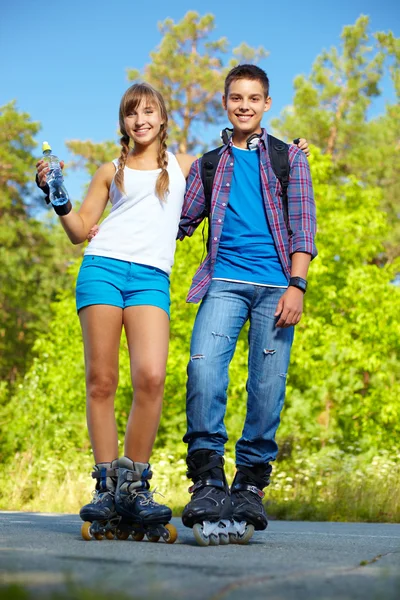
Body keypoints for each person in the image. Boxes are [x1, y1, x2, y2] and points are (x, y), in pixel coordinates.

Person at [35, 82, 195, 543]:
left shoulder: (184, 166)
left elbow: (242, 159)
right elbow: (79, 229)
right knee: (102, 380)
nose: (140, 120)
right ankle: (107, 486)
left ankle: (135, 486)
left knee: (152, 377)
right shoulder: (112, 170)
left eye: (148, 112)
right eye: (131, 114)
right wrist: (55, 193)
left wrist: (293, 150)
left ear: (163, 118)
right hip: (102, 269)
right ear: (123, 123)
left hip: (151, 278)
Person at [177, 64, 317, 546]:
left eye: (253, 98)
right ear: (225, 102)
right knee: (204, 370)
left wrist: (297, 284)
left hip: (277, 287)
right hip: (223, 282)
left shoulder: (289, 159)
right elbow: (178, 221)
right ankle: (208, 478)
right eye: (236, 97)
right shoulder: (209, 165)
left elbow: (303, 225)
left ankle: (251, 483)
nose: (244, 105)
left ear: (266, 104)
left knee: (267, 385)